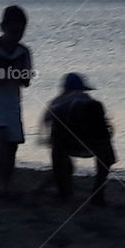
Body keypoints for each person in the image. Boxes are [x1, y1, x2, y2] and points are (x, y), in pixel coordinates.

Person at [0, 5, 33, 192]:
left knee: (13, 143)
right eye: (14, 31)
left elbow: (26, 80)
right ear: (3, 27)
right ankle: (2, 181)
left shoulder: (24, 52)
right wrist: (12, 71)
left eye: (21, 31)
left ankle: (6, 178)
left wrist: (11, 72)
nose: (17, 35)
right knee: (2, 137)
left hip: (12, 101)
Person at [43, 73, 116, 206]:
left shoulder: (57, 102)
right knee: (105, 154)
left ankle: (64, 192)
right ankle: (97, 192)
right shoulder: (88, 100)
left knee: (57, 146)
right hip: (92, 141)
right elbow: (105, 128)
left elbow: (46, 123)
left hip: (67, 143)